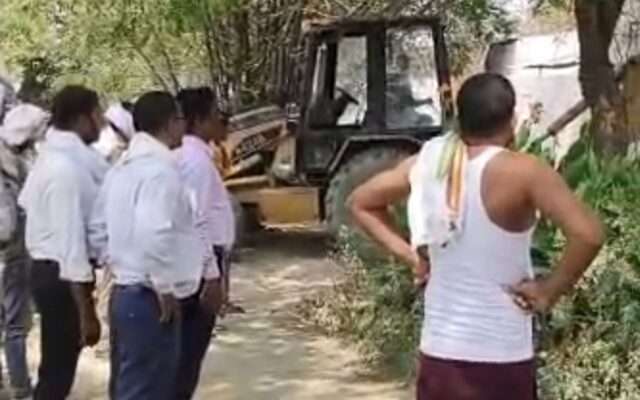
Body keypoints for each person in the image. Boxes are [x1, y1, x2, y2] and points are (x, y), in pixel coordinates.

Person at [348, 73, 604, 400]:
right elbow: (589, 235)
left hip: (439, 355)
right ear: (511, 120)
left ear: (461, 119)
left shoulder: (427, 164)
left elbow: (361, 202)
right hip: (500, 356)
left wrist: (413, 258)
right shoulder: (525, 172)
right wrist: (548, 291)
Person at [89, 91, 203, 400]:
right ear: (169, 123)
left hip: (126, 293)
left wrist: (120, 263)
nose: (184, 127)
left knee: (130, 387)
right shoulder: (160, 172)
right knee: (148, 389)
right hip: (149, 298)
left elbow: (97, 229)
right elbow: (155, 231)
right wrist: (163, 286)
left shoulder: (121, 169)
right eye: (181, 119)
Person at [18, 86, 108, 400]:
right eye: (98, 115)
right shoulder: (64, 170)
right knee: (57, 373)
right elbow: (71, 246)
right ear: (82, 119)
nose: (102, 123)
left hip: (54, 272)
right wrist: (87, 311)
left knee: (57, 368)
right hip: (60, 276)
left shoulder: (58, 160)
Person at [174, 87, 225, 399]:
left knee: (186, 355)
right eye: (215, 114)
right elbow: (196, 220)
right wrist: (212, 275)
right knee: (187, 355)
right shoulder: (195, 162)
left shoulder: (195, 157)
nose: (221, 120)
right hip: (199, 264)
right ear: (198, 120)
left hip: (199, 260)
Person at [0, 104, 49, 399]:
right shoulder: (16, 167)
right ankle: (20, 386)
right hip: (12, 254)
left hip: (9, 253)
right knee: (16, 325)